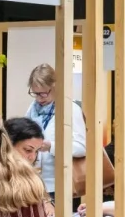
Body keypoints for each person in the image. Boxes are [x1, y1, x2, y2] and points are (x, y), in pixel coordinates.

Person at [25, 64, 86, 198]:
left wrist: (51, 146)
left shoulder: (70, 109)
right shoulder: (33, 109)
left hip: (61, 185)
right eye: (35, 93)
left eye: (43, 93)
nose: (39, 99)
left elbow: (82, 147)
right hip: (36, 183)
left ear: (55, 87)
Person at [5, 117, 55, 217]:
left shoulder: (33, 176)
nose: (32, 157)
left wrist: (47, 203)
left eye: (37, 151)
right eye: (28, 150)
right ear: (8, 145)